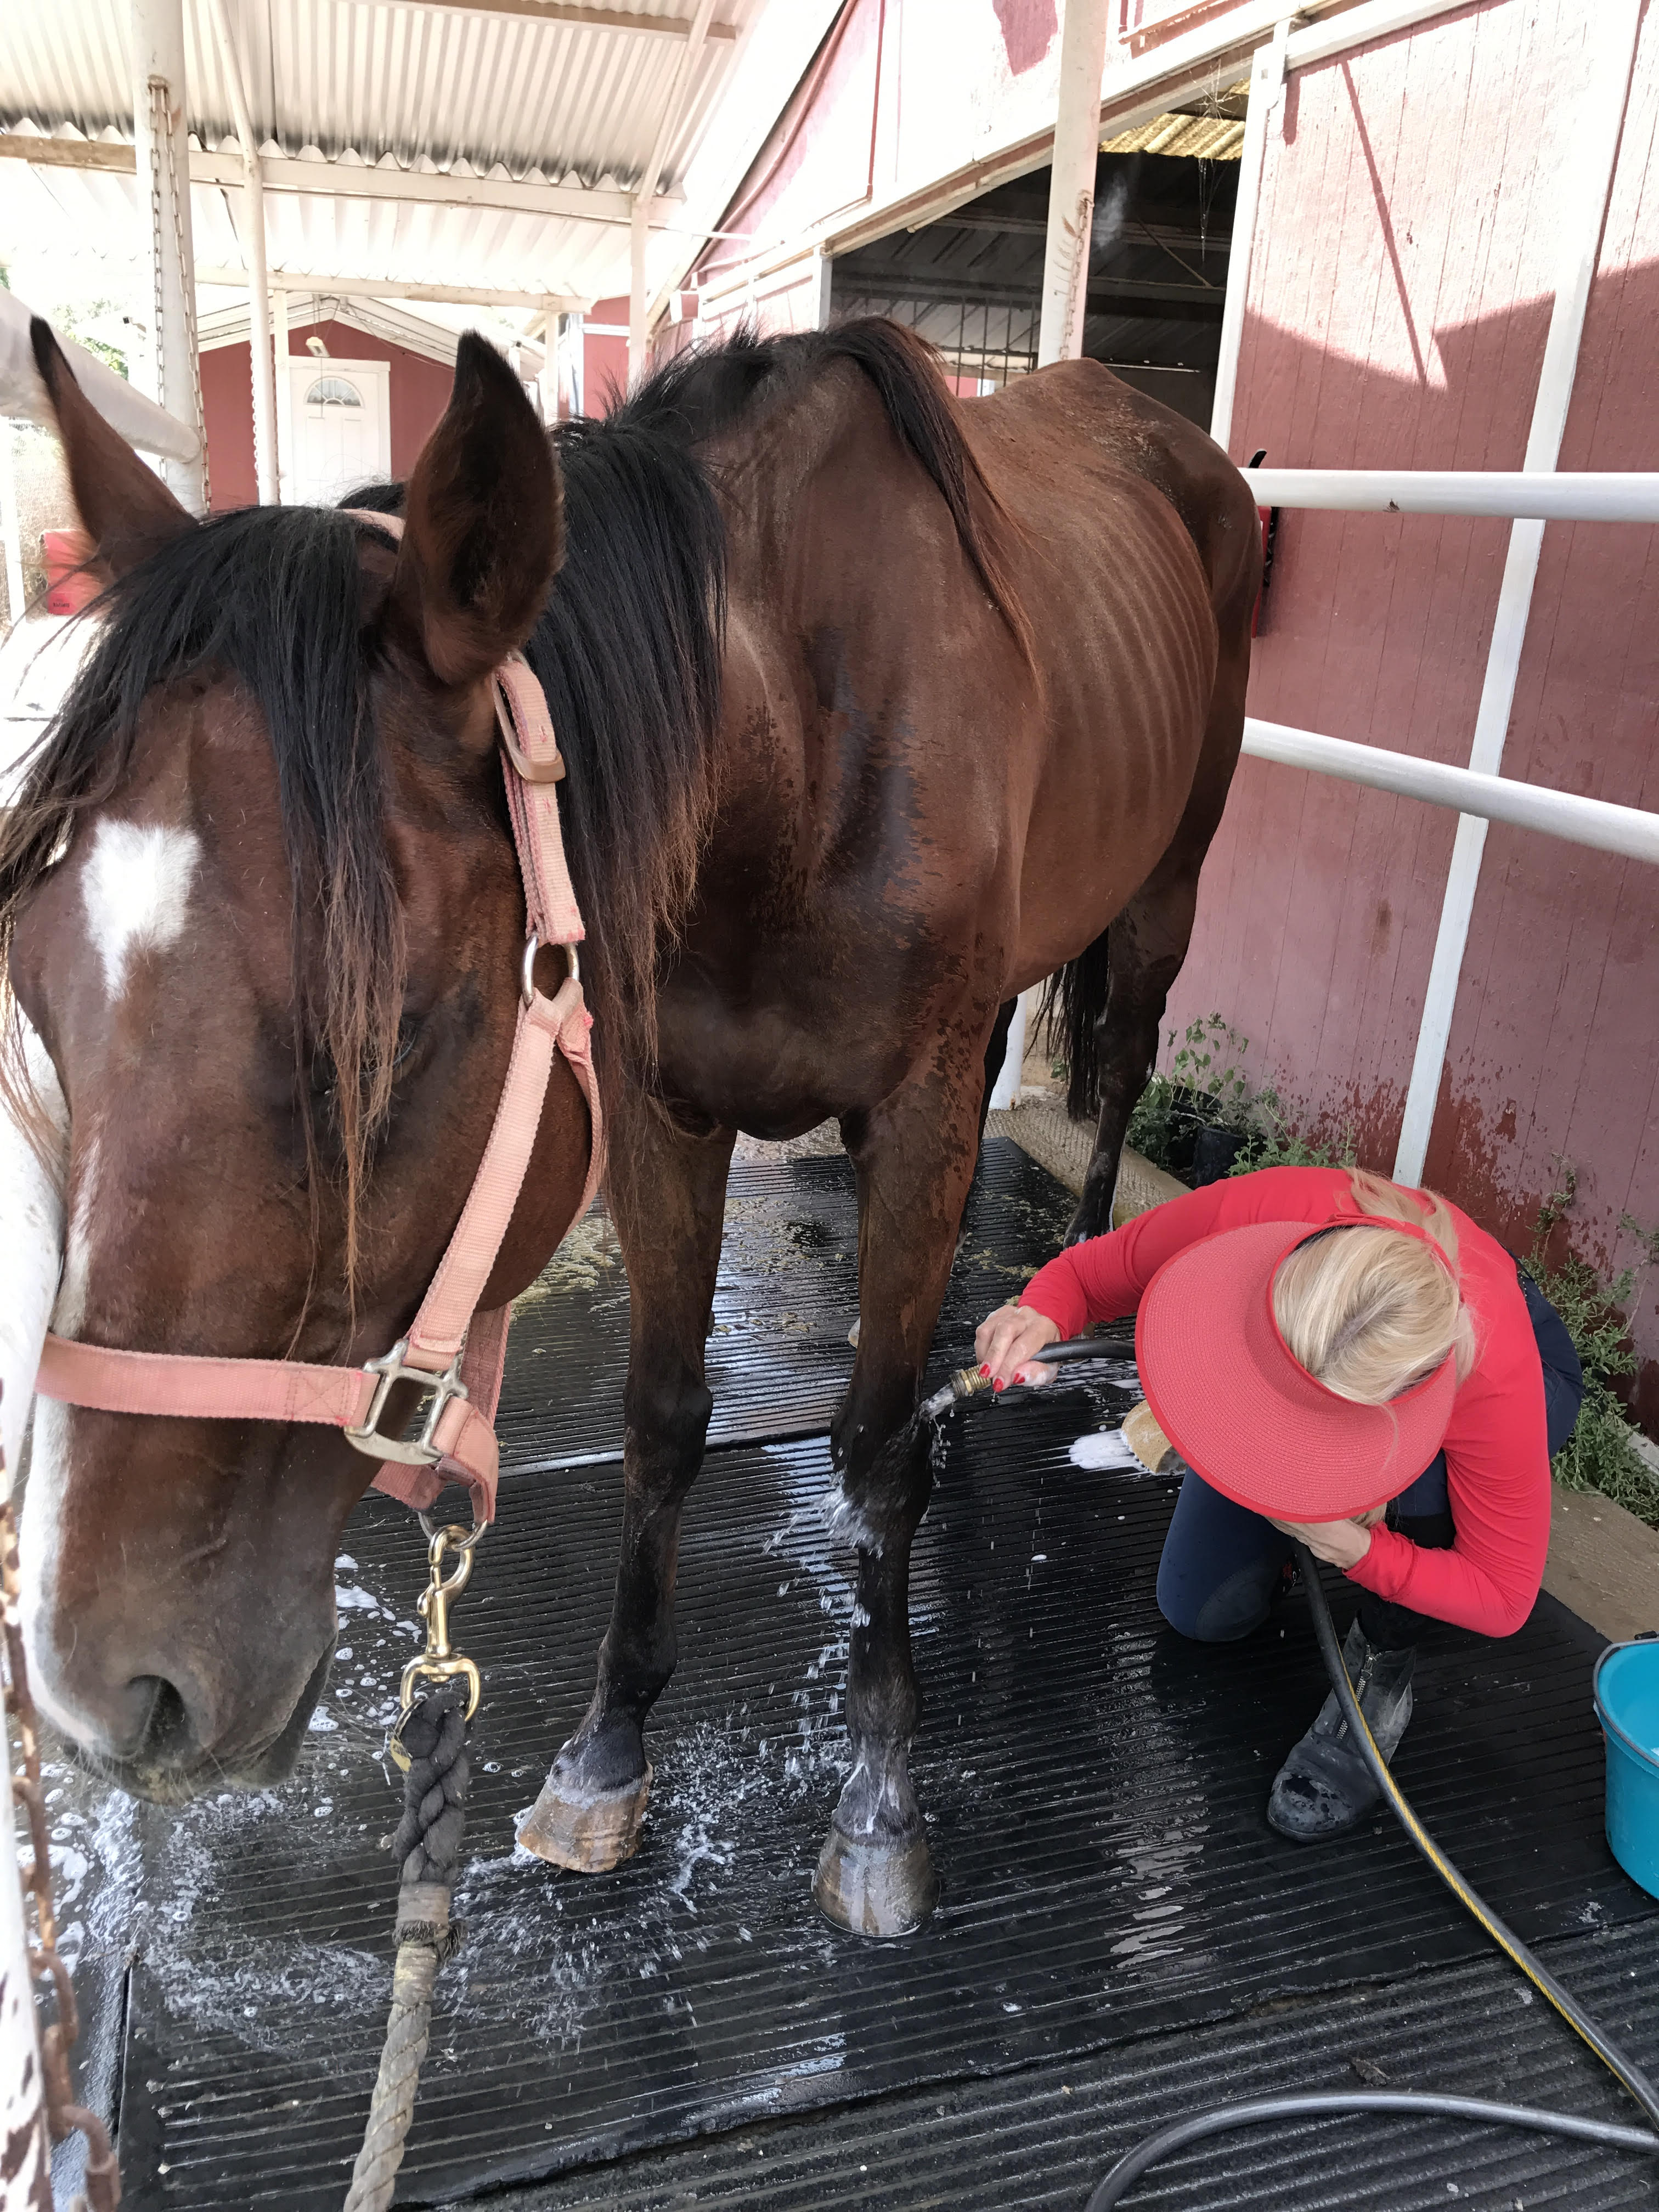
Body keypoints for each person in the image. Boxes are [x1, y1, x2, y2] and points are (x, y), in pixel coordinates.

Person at [974, 1164, 1583, 1841]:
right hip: (1334, 1344)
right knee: (1203, 1614)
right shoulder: (1264, 1210)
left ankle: (1380, 1667)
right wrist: (1040, 1312)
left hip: (1498, 1364)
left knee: (1429, 1491)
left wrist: (1359, 1550)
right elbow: (1090, 1275)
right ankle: (1285, 1480)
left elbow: (1503, 1597)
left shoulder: (1492, 1381)